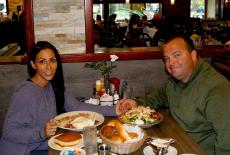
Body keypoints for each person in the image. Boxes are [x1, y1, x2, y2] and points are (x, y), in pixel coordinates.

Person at [116, 35, 230, 155]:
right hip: (172, 140)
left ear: (193, 55)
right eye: (166, 58)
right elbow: (160, 96)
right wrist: (136, 103)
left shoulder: (216, 90)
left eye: (177, 55)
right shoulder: (176, 80)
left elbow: (227, 142)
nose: (171, 63)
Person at [0, 41, 118, 155]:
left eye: (52, 60)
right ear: (33, 64)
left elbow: (77, 107)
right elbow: (9, 132)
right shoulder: (26, 92)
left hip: (44, 146)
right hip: (24, 150)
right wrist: (41, 133)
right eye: (42, 61)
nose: (49, 67)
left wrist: (116, 109)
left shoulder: (51, 85)